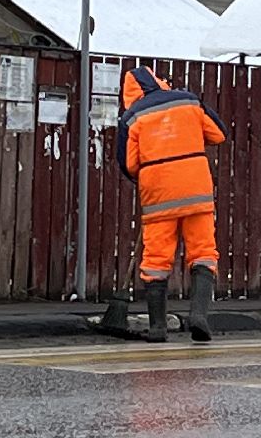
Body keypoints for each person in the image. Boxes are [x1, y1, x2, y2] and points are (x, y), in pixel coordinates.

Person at [96, 66, 227, 343]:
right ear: (158, 81)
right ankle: (199, 316)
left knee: (156, 260)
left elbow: (129, 164)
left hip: (158, 195)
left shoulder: (132, 117)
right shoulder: (188, 101)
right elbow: (218, 134)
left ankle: (158, 328)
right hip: (196, 190)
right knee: (203, 252)